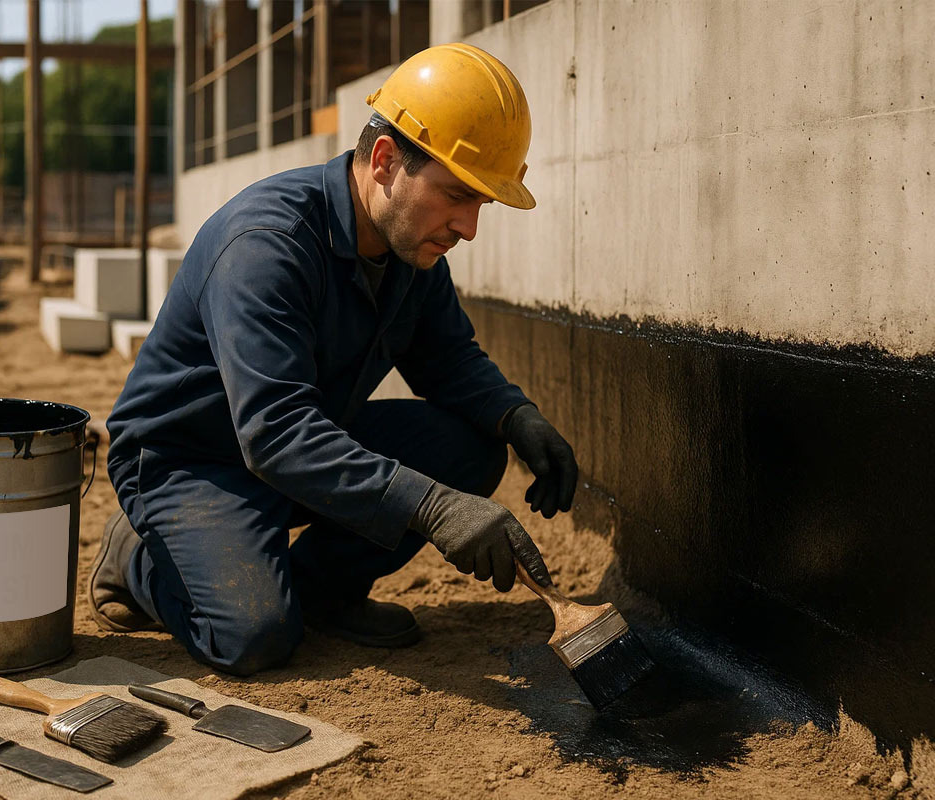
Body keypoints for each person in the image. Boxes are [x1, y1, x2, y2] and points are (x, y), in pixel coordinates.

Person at [88, 43, 578, 676]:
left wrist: (517, 418)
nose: (468, 226)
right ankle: (139, 558)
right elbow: (276, 431)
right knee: (253, 635)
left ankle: (321, 593)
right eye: (457, 195)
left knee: (471, 450)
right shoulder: (267, 245)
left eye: (479, 203)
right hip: (190, 459)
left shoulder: (410, 248)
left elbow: (449, 359)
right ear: (383, 162)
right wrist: (430, 507)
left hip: (295, 440)